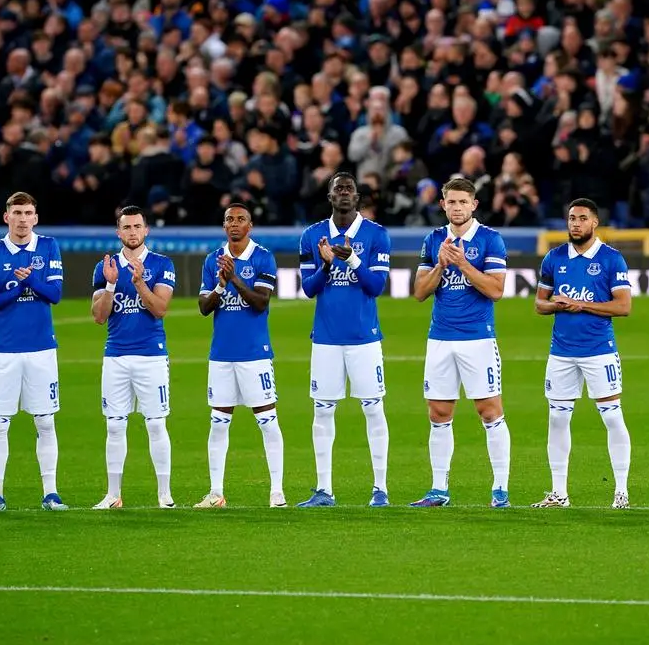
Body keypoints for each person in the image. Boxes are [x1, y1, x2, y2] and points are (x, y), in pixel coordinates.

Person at [409, 177, 510, 508]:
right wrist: (440, 263)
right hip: (440, 338)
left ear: (474, 205)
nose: (456, 207)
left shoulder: (491, 240)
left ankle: (500, 490)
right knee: (438, 412)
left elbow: (496, 290)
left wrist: (463, 263)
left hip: (477, 338)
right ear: (443, 205)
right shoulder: (433, 240)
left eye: (462, 202)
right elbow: (420, 293)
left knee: (489, 411)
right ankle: (439, 490)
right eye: (450, 202)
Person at [296, 172, 393, 507]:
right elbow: (308, 289)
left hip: (364, 339)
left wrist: (350, 259)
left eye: (349, 188)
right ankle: (324, 490)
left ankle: (380, 489)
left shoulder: (377, 235)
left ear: (358, 196)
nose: (344, 193)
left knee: (373, 409)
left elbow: (376, 287)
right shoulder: (312, 235)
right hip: (325, 339)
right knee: (322, 412)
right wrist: (325, 266)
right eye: (338, 189)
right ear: (330, 196)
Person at [532, 198, 633, 508]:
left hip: (598, 351)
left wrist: (582, 305)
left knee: (612, 417)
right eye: (571, 218)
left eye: (581, 218)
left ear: (594, 223)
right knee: (557, 419)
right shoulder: (553, 258)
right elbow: (539, 304)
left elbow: (623, 306)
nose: (575, 223)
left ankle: (621, 491)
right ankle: (559, 493)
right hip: (561, 353)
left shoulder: (612, 259)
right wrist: (557, 305)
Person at [0, 192, 68, 512]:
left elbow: (54, 294)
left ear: (36, 218)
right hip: (5, 350)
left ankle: (51, 492)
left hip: (42, 349)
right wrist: (18, 286)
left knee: (45, 421)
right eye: (17, 213)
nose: (23, 218)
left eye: (29, 213)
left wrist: (29, 283)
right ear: (6, 217)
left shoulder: (48, 246)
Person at [194, 203, 285, 508]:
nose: (234, 224)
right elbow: (204, 308)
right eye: (229, 219)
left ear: (250, 226)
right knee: (218, 423)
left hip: (254, 354)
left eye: (240, 219)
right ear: (224, 227)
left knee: (267, 421)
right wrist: (220, 282)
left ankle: (277, 492)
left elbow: (261, 302)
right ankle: (216, 492)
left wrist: (233, 279)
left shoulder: (263, 257)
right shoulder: (212, 260)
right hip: (221, 355)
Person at [89, 206, 177, 509]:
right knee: (114, 425)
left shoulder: (162, 264)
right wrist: (111, 284)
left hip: (151, 356)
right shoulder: (105, 267)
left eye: (137, 226)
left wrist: (139, 282)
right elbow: (99, 317)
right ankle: (113, 495)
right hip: (115, 356)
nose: (132, 232)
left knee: (155, 424)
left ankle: (164, 494)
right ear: (118, 232)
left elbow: (160, 310)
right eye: (126, 227)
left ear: (146, 230)